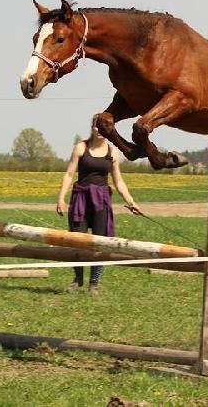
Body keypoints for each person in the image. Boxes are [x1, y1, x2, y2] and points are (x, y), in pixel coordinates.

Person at [56, 116, 142, 295]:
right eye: (97, 126)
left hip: (101, 201)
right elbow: (69, 174)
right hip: (80, 198)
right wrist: (61, 198)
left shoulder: (113, 152)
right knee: (77, 241)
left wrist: (130, 201)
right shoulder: (81, 147)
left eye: (104, 127)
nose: (99, 130)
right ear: (92, 128)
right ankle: (78, 279)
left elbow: (118, 181)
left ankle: (94, 283)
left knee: (101, 242)